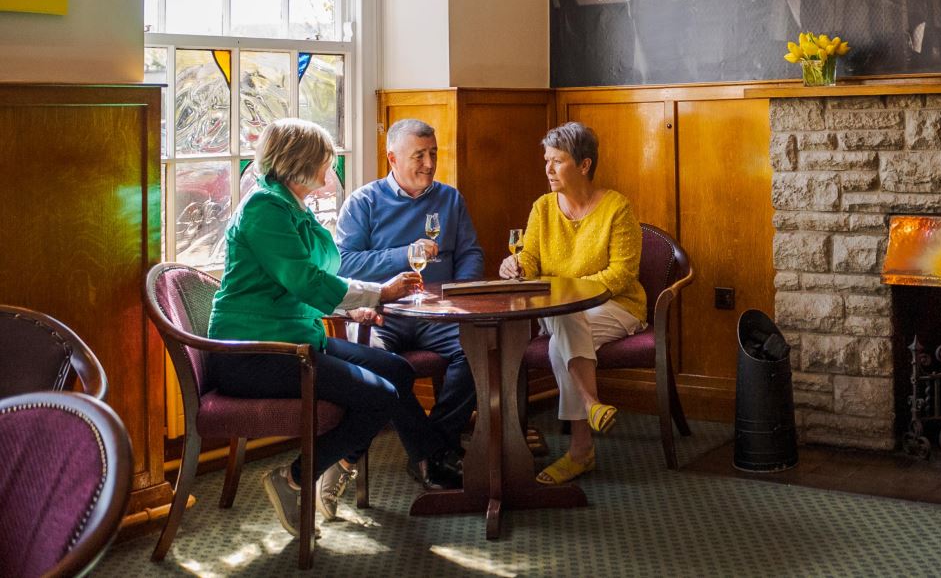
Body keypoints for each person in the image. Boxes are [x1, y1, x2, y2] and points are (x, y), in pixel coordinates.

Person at [206, 118, 458, 538]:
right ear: (300, 162)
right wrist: (378, 294)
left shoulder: (293, 208)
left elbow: (313, 278)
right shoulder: (264, 210)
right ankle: (297, 479)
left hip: (298, 338)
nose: (332, 169)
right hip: (254, 354)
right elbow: (305, 280)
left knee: (398, 370)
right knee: (380, 397)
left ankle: (359, 463)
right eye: (327, 160)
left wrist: (350, 310)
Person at [335, 119, 486, 495]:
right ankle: (434, 453)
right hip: (384, 314)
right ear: (392, 158)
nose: (429, 164)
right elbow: (343, 263)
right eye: (419, 155)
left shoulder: (450, 199)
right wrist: (403, 255)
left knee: (479, 350)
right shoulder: (363, 202)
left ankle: (433, 446)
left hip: (440, 314)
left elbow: (470, 253)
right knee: (382, 365)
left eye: (433, 154)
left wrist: (457, 295)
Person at [497, 123, 646, 486]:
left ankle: (581, 450)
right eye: (546, 160)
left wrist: (566, 294)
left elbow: (621, 275)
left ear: (583, 165)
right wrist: (513, 265)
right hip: (560, 310)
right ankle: (591, 406)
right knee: (566, 315)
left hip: (615, 306)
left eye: (557, 161)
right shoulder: (543, 208)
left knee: (559, 340)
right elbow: (528, 259)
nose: (547, 169)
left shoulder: (616, 208)